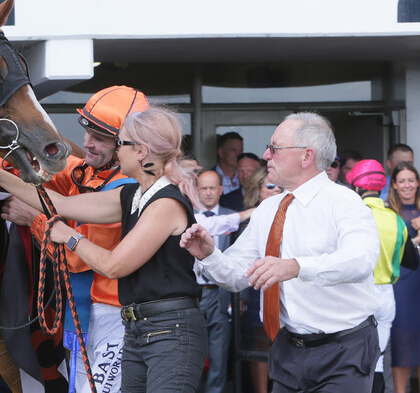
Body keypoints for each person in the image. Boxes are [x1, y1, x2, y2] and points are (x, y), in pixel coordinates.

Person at [0, 106, 209, 392]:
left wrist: (70, 236)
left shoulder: (166, 202)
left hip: (169, 330)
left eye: (121, 143)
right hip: (140, 327)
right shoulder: (132, 194)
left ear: (141, 152)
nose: (116, 150)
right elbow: (61, 204)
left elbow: (114, 265)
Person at [180, 112, 381, 393]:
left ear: (306, 156)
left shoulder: (344, 202)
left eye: (274, 148)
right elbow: (238, 276)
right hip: (287, 349)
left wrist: (297, 266)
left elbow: (361, 260)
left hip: (343, 350)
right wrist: (210, 255)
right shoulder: (268, 210)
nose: (265, 155)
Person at [346, 159, 419, 393]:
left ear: (356, 188)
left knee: (351, 364)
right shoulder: (396, 219)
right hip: (387, 296)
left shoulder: (352, 215)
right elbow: (411, 261)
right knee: (376, 363)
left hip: (357, 294)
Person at [237, 167, 282, 393]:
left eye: (279, 187)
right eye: (270, 187)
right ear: (258, 191)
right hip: (255, 286)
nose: (276, 191)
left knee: (283, 343)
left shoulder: (290, 214)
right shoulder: (247, 219)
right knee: (259, 341)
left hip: (284, 283)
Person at [193, 170, 237, 393]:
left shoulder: (234, 217)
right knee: (191, 355)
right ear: (196, 190)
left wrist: (239, 301)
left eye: (213, 188)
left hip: (222, 295)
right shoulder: (185, 217)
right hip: (193, 295)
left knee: (219, 356)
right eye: (203, 188)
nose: (208, 193)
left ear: (221, 189)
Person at [386, 162, 420, 393]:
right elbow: (388, 253)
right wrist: (416, 240)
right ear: (394, 185)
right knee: (403, 342)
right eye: (402, 181)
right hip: (403, 285)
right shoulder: (390, 214)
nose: (407, 185)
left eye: (411, 180)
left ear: (417, 183)